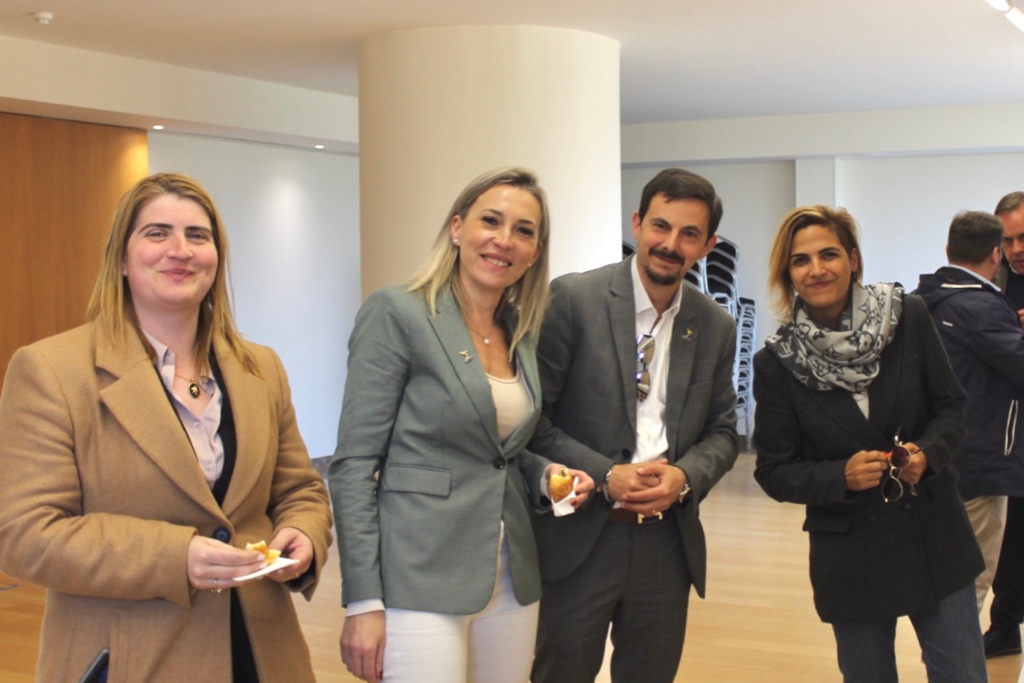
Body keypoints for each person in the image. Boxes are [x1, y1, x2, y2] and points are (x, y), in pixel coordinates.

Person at [0, 173, 333, 682]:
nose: (181, 250)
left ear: (216, 258)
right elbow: (26, 535)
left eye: (197, 235)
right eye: (157, 233)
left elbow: (300, 490)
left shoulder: (260, 368)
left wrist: (302, 535)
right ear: (121, 260)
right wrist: (175, 557)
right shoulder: (51, 370)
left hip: (264, 655)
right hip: (130, 662)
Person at [330, 167, 593, 683]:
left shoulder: (520, 330)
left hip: (511, 575)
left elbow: (499, 452)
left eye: (523, 231)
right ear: (457, 228)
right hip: (418, 575)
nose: (504, 240)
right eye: (490, 221)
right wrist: (362, 600)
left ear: (535, 253)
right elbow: (354, 465)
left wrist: (545, 476)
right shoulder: (397, 313)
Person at [753, 205, 987, 682]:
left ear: (854, 259)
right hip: (852, 554)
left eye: (829, 254)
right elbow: (773, 471)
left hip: (933, 534)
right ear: (788, 274)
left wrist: (927, 453)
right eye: (800, 260)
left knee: (962, 674)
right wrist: (839, 476)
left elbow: (950, 405)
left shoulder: (908, 316)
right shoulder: (777, 362)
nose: (816, 269)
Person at [529, 168, 740, 683]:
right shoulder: (573, 300)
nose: (670, 244)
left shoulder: (715, 325)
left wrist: (685, 476)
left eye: (689, 234)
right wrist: (607, 474)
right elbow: (536, 423)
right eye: (660, 226)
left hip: (666, 542)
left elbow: (723, 432)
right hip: (582, 535)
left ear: (707, 246)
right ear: (638, 223)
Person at [915, 210, 1024, 613]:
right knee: (971, 581)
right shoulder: (981, 306)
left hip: (940, 454)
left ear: (949, 249)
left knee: (946, 574)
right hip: (981, 459)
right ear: (995, 253)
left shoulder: (924, 298)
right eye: (1008, 242)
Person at [984, 190, 1024, 657]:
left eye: (1023, 238)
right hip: (1010, 427)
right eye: (1007, 240)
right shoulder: (991, 280)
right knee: (1013, 534)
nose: (1016, 249)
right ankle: (1006, 625)